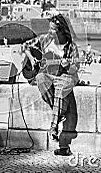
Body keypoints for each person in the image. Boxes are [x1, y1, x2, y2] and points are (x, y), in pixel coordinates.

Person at [20, 14, 80, 156]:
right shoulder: (45, 40)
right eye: (50, 28)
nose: (50, 31)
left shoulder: (70, 46)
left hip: (65, 76)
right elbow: (25, 46)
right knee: (40, 77)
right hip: (48, 75)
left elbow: (75, 67)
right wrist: (32, 59)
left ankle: (53, 127)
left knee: (61, 86)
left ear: (61, 31)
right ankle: (60, 114)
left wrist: (67, 66)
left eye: (53, 29)